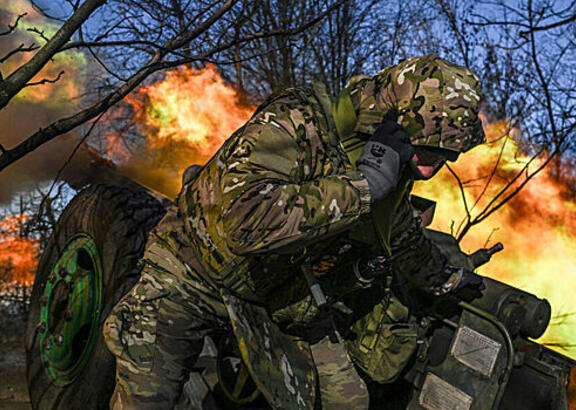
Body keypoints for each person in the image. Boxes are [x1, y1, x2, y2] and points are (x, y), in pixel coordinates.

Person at [103, 53, 486, 409]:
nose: (428, 171)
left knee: (349, 401)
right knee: (148, 400)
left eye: (445, 158)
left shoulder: (388, 162)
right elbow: (246, 222)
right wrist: (362, 187)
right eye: (426, 151)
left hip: (277, 297)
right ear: (390, 119)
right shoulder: (297, 120)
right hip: (193, 274)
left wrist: (447, 281)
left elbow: (402, 236)